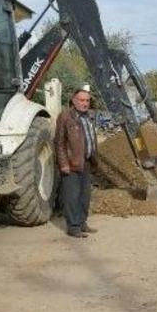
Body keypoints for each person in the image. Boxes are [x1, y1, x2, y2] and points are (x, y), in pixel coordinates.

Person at [55, 88, 99, 238]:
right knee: (72, 196)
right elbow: (59, 143)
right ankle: (73, 227)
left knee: (84, 196)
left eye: (87, 100)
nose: (85, 103)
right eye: (81, 100)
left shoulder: (90, 116)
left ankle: (82, 223)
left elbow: (91, 138)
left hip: (86, 161)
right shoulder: (66, 117)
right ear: (74, 101)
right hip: (71, 163)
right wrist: (63, 164)